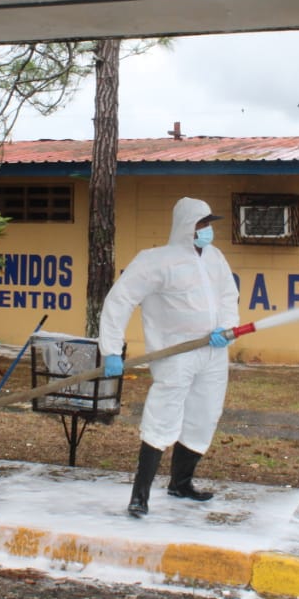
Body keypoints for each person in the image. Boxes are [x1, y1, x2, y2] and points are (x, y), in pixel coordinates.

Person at [99, 197, 239, 518]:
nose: (207, 231)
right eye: (201, 225)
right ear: (186, 227)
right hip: (176, 353)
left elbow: (228, 296)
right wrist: (111, 349)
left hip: (213, 352)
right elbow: (120, 300)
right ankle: (140, 496)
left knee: (203, 415)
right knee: (163, 416)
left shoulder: (215, 258)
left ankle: (181, 483)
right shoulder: (155, 261)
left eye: (209, 225)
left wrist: (227, 328)